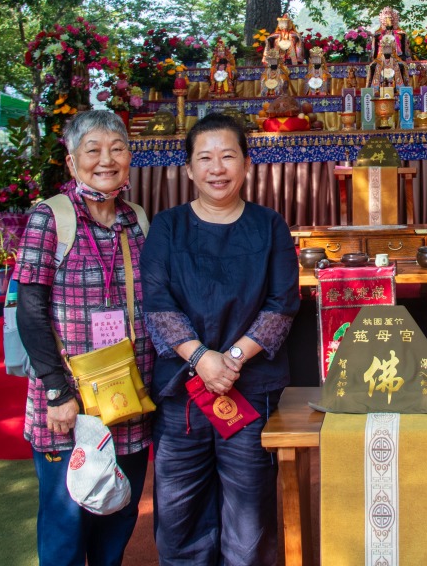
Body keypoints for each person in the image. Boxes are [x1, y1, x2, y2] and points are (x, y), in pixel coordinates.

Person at [140, 112, 299, 565]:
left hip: (250, 391)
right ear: (188, 169)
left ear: (247, 164)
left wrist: (227, 361)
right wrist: (201, 360)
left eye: (228, 156)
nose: (217, 168)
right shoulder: (167, 227)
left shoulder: (269, 226)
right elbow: (157, 303)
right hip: (181, 395)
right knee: (179, 513)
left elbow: (282, 304)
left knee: (249, 516)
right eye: (204, 158)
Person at [16, 109, 154, 566]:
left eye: (117, 149)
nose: (106, 159)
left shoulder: (136, 218)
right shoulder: (49, 217)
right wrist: (56, 390)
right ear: (72, 162)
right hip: (69, 403)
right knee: (66, 518)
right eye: (92, 150)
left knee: (119, 508)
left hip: (126, 396)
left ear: (129, 158)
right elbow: (30, 309)